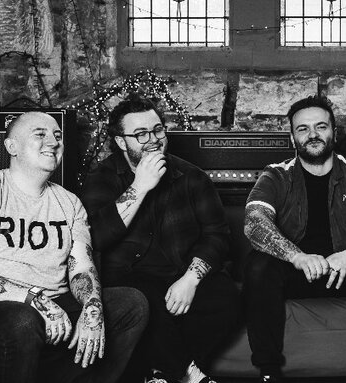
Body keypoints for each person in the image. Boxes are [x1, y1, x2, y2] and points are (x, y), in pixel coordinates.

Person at [0, 111, 148, 383]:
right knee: (23, 319)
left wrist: (92, 308)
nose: (53, 142)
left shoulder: (70, 203)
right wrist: (35, 299)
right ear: (12, 146)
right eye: (40, 134)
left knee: (132, 304)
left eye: (57, 136)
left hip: (50, 302)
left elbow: (82, 269)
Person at [243, 95, 346, 383]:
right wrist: (297, 257)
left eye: (320, 126)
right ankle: (269, 373)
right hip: (298, 274)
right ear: (292, 136)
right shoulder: (276, 176)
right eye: (303, 129)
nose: (313, 135)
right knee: (258, 265)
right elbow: (253, 223)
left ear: (333, 131)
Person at [81, 96, 240, 383]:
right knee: (145, 302)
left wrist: (191, 280)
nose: (153, 140)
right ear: (120, 142)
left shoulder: (192, 177)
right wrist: (140, 187)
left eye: (157, 130)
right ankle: (190, 375)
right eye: (141, 134)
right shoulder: (101, 177)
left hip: (180, 274)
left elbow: (217, 236)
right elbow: (96, 237)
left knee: (226, 295)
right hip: (130, 280)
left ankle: (158, 375)